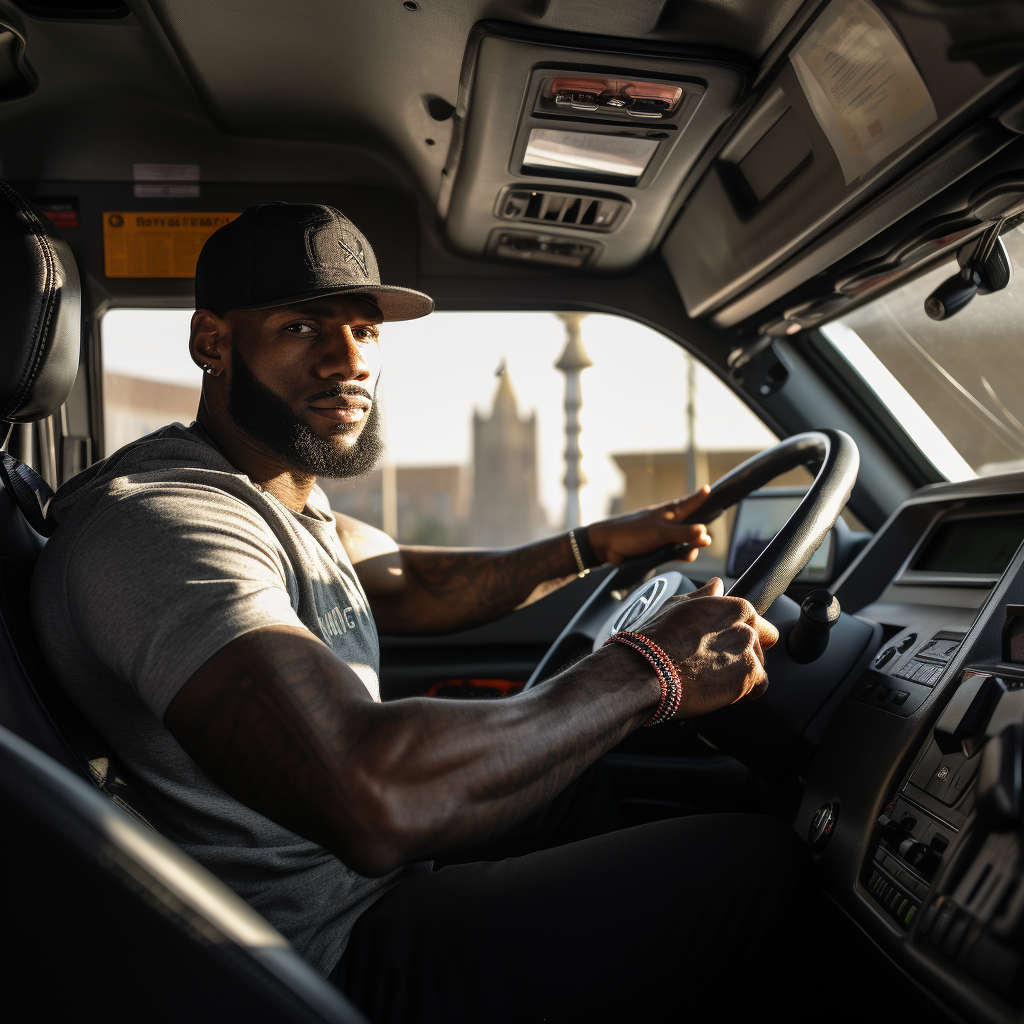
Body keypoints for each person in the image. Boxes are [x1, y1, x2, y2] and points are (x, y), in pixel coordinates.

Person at [31, 203, 803, 1023]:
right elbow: (373, 800)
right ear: (213, 342)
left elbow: (405, 582)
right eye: (303, 327)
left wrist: (594, 545)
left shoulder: (278, 500)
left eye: (366, 331)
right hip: (320, 958)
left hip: (362, 889)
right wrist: (649, 671)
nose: (348, 361)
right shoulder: (165, 522)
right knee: (757, 864)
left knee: (579, 786)